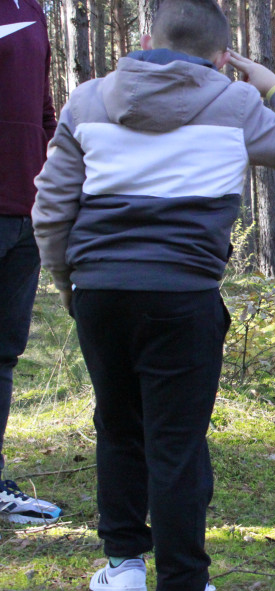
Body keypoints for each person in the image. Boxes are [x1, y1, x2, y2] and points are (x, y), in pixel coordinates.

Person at [32, 0, 275, 591]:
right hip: (182, 293)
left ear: (146, 39)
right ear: (224, 57)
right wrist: (271, 84)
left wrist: (70, 284)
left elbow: (52, 207)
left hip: (100, 290)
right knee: (174, 440)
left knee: (117, 425)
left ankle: (121, 569)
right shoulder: (237, 104)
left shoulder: (86, 101)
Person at [0, 0, 63, 525]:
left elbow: (42, 110)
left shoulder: (35, 9)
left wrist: (48, 194)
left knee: (2, 355)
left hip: (24, 211)